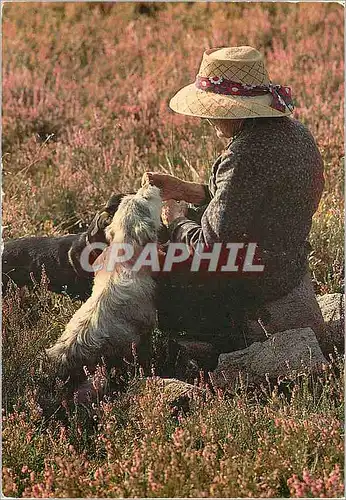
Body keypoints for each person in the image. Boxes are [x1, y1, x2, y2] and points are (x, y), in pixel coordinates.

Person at [140, 46, 327, 358]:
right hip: (286, 265)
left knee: (143, 262)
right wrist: (187, 191)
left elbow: (209, 246)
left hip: (256, 279)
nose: (207, 119)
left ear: (235, 110)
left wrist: (176, 221)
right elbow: (248, 203)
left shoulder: (244, 155)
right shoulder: (296, 134)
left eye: (213, 112)